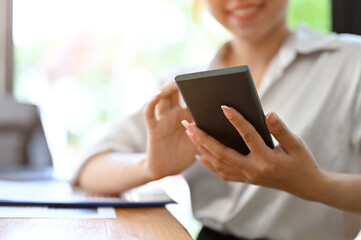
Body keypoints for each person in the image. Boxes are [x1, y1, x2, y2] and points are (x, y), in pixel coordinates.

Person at [74, 0, 361, 239]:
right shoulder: (184, 86)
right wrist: (151, 166)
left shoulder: (351, 60)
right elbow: (89, 164)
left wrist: (314, 184)